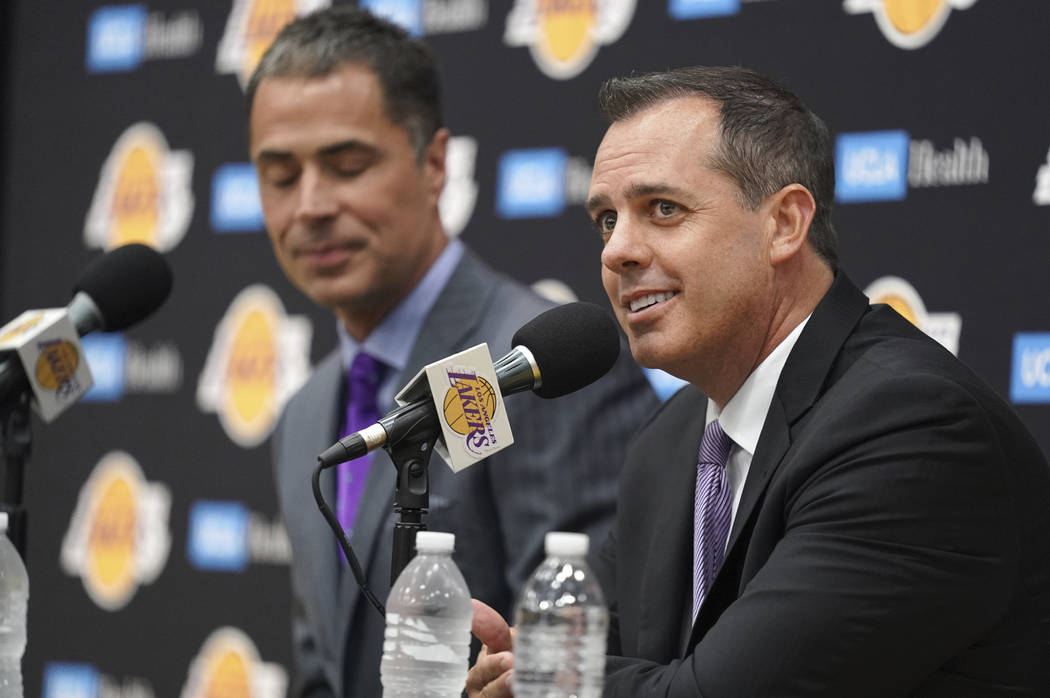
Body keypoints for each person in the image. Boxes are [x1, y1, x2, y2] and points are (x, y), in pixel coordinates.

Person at [468, 66, 1050, 697]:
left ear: (784, 224)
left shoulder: (911, 427)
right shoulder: (670, 441)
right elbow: (601, 655)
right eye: (606, 219)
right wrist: (517, 662)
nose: (616, 252)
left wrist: (544, 680)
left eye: (663, 209)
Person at [246, 8, 659, 697]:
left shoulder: (536, 371)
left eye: (347, 166)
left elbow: (592, 650)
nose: (311, 205)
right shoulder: (304, 413)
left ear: (435, 164)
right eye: (281, 176)